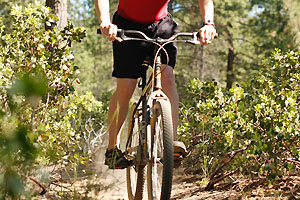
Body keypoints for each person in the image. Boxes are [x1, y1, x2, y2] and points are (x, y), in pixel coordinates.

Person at [95, 0, 217, 169]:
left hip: (162, 25)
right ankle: (112, 149)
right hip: (126, 24)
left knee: (167, 78)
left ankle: (170, 144)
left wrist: (208, 23)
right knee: (126, 88)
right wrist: (105, 22)